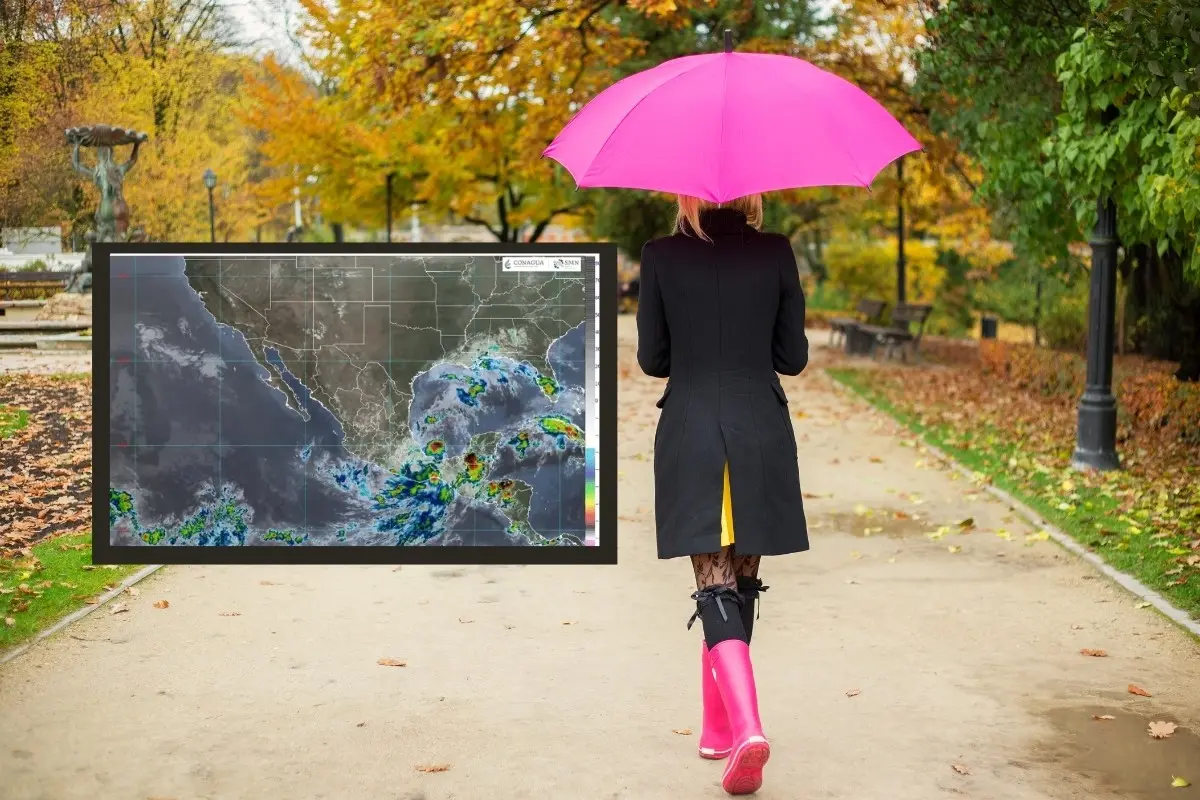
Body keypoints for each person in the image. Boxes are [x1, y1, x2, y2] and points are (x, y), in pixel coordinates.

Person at [636, 194, 809, 796]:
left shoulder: (659, 256)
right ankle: (722, 728)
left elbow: (653, 359)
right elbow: (793, 357)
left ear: (685, 195)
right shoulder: (777, 253)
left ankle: (746, 728)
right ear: (753, 194)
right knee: (742, 578)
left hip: (691, 432)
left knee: (714, 582)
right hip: (760, 429)